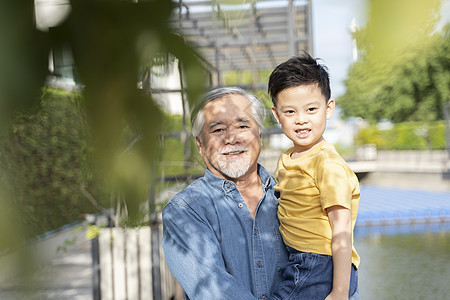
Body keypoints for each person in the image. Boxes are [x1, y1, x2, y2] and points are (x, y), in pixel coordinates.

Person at [162, 87, 289, 300]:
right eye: (218, 130)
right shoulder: (183, 212)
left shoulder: (291, 196)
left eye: (242, 126)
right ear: (200, 145)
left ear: (259, 134)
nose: (231, 138)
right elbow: (215, 292)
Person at [267, 53, 360, 300]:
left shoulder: (327, 164)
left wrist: (339, 291)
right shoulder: (288, 157)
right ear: (277, 115)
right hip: (300, 260)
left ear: (328, 109)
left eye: (311, 109)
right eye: (290, 111)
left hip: (319, 264)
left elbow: (341, 228)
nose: (301, 120)